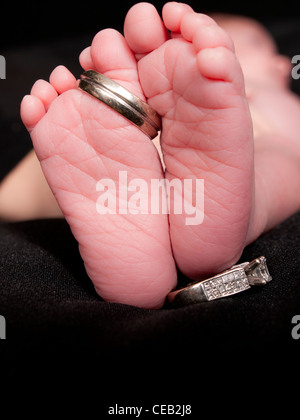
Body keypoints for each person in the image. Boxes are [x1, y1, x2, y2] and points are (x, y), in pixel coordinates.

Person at [1, 2, 299, 309]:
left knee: (82, 146)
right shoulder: (274, 99)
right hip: (194, 133)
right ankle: (241, 211)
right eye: (255, 44)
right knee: (283, 160)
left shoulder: (193, 91)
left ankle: (129, 219)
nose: (281, 62)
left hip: (153, 131)